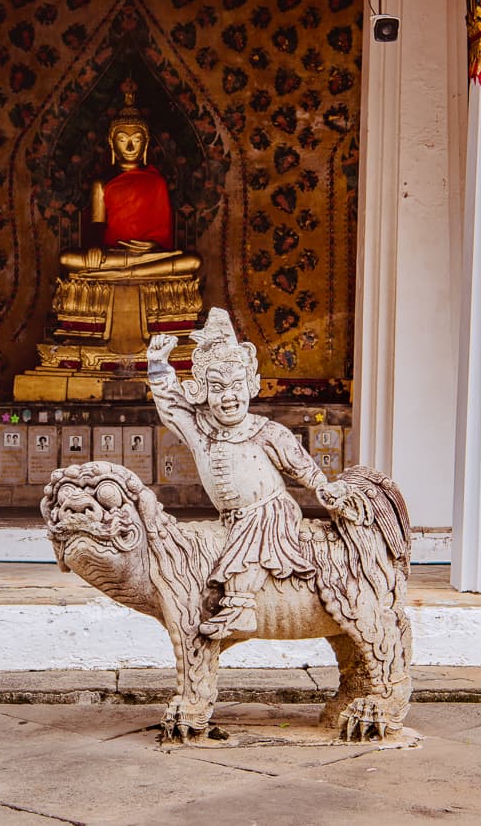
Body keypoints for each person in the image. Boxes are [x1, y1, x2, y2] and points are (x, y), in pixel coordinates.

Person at [146, 308, 346, 639]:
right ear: (202, 392)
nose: (228, 396)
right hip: (232, 516)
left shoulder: (266, 431)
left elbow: (299, 463)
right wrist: (157, 366)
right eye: (218, 387)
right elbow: (172, 407)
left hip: (267, 511)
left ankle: (241, 609)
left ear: (251, 386)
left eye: (236, 385)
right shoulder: (199, 429)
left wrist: (324, 489)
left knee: (245, 550)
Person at [58, 82, 201, 280]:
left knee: (193, 261)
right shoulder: (102, 184)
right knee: (67, 259)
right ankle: (124, 272)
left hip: (149, 256)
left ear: (145, 144)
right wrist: (95, 250)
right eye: (123, 140)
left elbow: (163, 234)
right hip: (112, 254)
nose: (131, 146)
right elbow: (98, 228)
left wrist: (154, 246)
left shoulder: (156, 182)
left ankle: (123, 274)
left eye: (137, 140)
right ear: (112, 143)